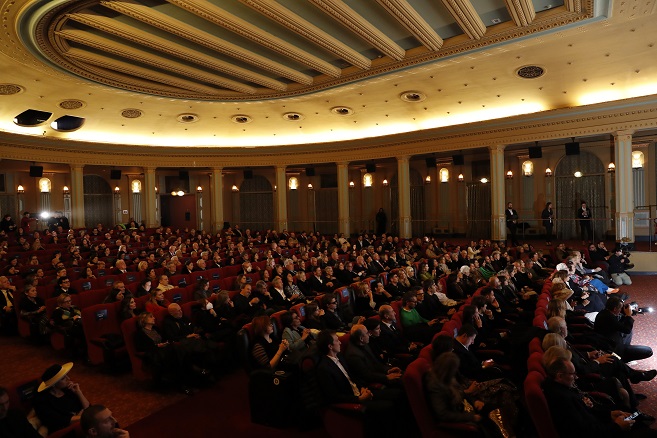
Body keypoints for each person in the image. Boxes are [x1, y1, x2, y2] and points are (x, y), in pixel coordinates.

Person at [543, 357, 657, 437]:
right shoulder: (563, 400)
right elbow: (586, 432)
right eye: (572, 374)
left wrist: (610, 414)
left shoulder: (560, 387)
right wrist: (617, 427)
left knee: (631, 416)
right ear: (559, 376)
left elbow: (586, 414)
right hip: (603, 431)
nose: (576, 377)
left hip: (600, 424)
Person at [34, 362, 90, 433]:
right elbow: (62, 421)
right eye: (63, 378)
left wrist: (78, 392)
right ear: (54, 384)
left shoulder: (67, 389)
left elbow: (87, 407)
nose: (68, 378)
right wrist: (85, 416)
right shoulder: (45, 401)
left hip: (82, 422)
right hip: (67, 431)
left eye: (66, 375)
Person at [594, 296, 653, 363]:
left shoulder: (604, 312)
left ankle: (627, 350)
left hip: (611, 338)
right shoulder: (610, 319)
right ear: (615, 309)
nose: (621, 309)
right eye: (620, 308)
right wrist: (628, 315)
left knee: (630, 332)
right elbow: (626, 329)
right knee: (649, 351)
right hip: (614, 348)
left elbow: (620, 325)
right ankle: (623, 359)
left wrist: (626, 315)